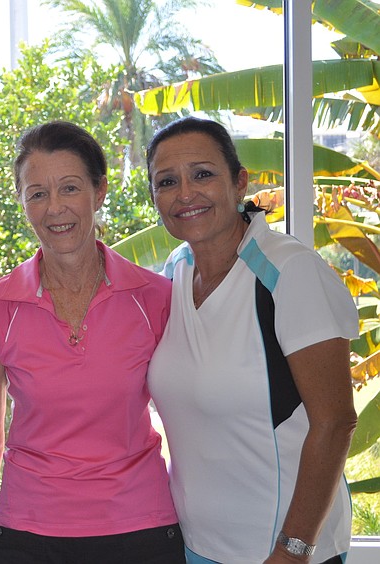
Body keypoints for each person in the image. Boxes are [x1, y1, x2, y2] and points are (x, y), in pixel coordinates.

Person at [0, 120, 184, 564]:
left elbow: (189, 417)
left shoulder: (155, 298)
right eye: (37, 193)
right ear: (22, 202)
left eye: (69, 188)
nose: (55, 208)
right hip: (27, 530)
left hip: (142, 526)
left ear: (99, 192)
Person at [145, 116, 358, 564]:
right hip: (195, 546)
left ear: (239, 182)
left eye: (203, 174)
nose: (186, 193)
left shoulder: (290, 271)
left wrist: (293, 550)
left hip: (280, 552)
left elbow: (336, 422)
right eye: (167, 181)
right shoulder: (176, 271)